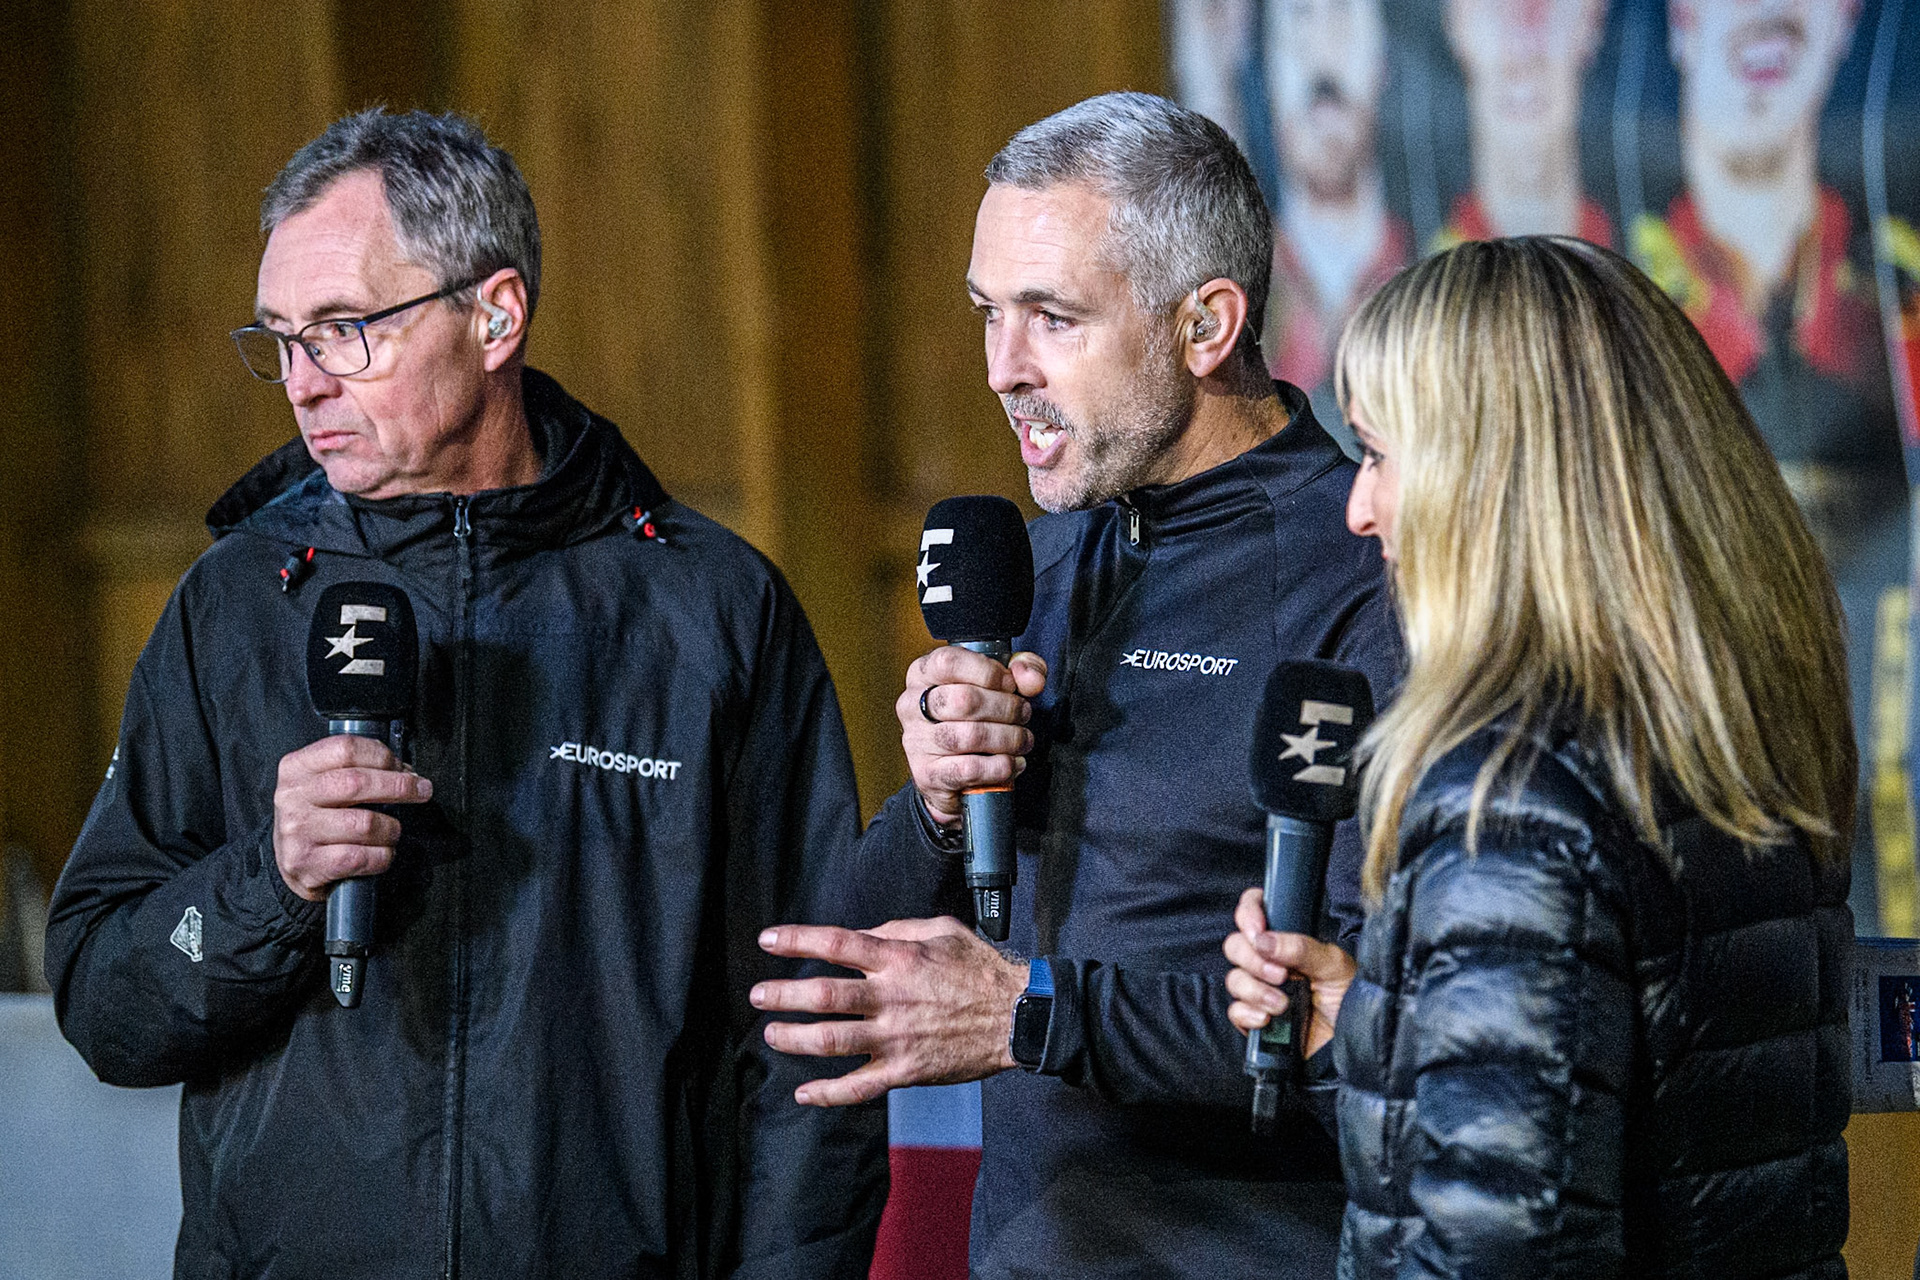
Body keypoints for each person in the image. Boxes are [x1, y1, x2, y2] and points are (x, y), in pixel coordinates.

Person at [44, 109, 885, 1278]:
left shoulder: (711, 611)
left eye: (344, 331)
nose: (301, 384)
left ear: (495, 316)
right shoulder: (232, 604)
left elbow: (812, 1037)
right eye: (280, 340)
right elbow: (104, 1000)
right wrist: (269, 883)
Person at [749, 92, 1402, 1277]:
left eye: (1052, 317)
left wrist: (1032, 1011)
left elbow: (1373, 1025)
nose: (1004, 369)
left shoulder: (1365, 575)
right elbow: (852, 965)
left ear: (1206, 324)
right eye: (988, 313)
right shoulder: (1034, 568)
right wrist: (936, 803)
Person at [1224, 236, 1853, 1277]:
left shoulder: (1511, 795)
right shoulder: (1727, 733)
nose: (1358, 507)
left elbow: (1502, 1247)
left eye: (1377, 453)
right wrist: (1371, 1032)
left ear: (1496, 478)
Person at [1259, 0, 1413, 445]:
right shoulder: (1234, 287)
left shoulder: (1435, 260)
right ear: (1268, 74)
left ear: (1382, 63)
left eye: (1344, 20)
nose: (1321, 52)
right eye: (1298, 23)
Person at [1433, 0, 1615, 249]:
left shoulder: (1645, 245)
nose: (1522, 50)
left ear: (1593, 18)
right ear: (1456, 23)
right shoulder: (1417, 250)